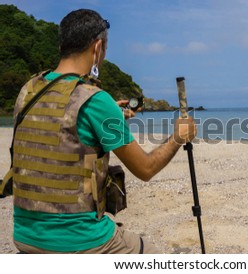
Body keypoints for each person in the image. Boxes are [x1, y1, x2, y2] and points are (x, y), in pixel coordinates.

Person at [5, 9, 197, 253]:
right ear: (98, 47)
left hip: (25, 235)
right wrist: (178, 137)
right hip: (79, 240)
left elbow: (60, 124)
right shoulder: (96, 100)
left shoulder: (28, 90)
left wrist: (110, 114)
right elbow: (146, 169)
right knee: (152, 255)